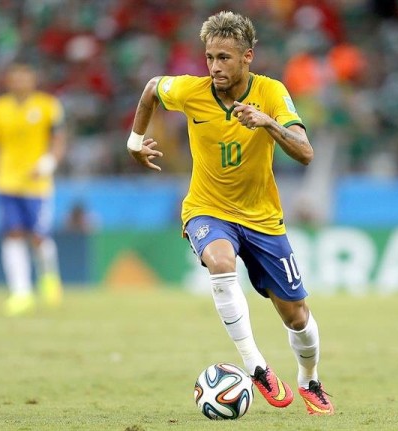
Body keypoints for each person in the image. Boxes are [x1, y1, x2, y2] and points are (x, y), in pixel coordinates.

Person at [126, 11, 334, 416]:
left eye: (224, 58)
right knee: (220, 261)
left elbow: (306, 152)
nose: (215, 67)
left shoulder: (271, 93)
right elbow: (152, 88)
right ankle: (255, 364)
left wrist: (268, 123)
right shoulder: (190, 91)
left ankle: (309, 381)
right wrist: (135, 141)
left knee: (297, 317)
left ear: (247, 57)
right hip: (207, 208)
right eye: (209, 57)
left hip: (262, 218)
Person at [0, 63, 66, 316]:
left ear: (33, 80)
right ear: (8, 81)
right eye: (15, 79)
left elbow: (59, 141)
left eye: (25, 78)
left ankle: (49, 277)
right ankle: (21, 292)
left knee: (38, 237)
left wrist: (47, 164)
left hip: (37, 185)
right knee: (12, 234)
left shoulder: (48, 105)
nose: (20, 83)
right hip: (6, 181)